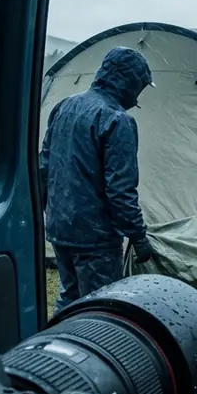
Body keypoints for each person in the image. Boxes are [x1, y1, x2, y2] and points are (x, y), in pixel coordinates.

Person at [40, 46, 156, 313]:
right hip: (96, 239)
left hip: (60, 229)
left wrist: (50, 214)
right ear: (128, 83)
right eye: (140, 86)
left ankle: (56, 348)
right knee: (100, 310)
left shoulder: (65, 106)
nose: (138, 96)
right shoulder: (117, 120)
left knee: (70, 298)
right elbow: (120, 190)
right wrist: (138, 237)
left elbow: (44, 168)